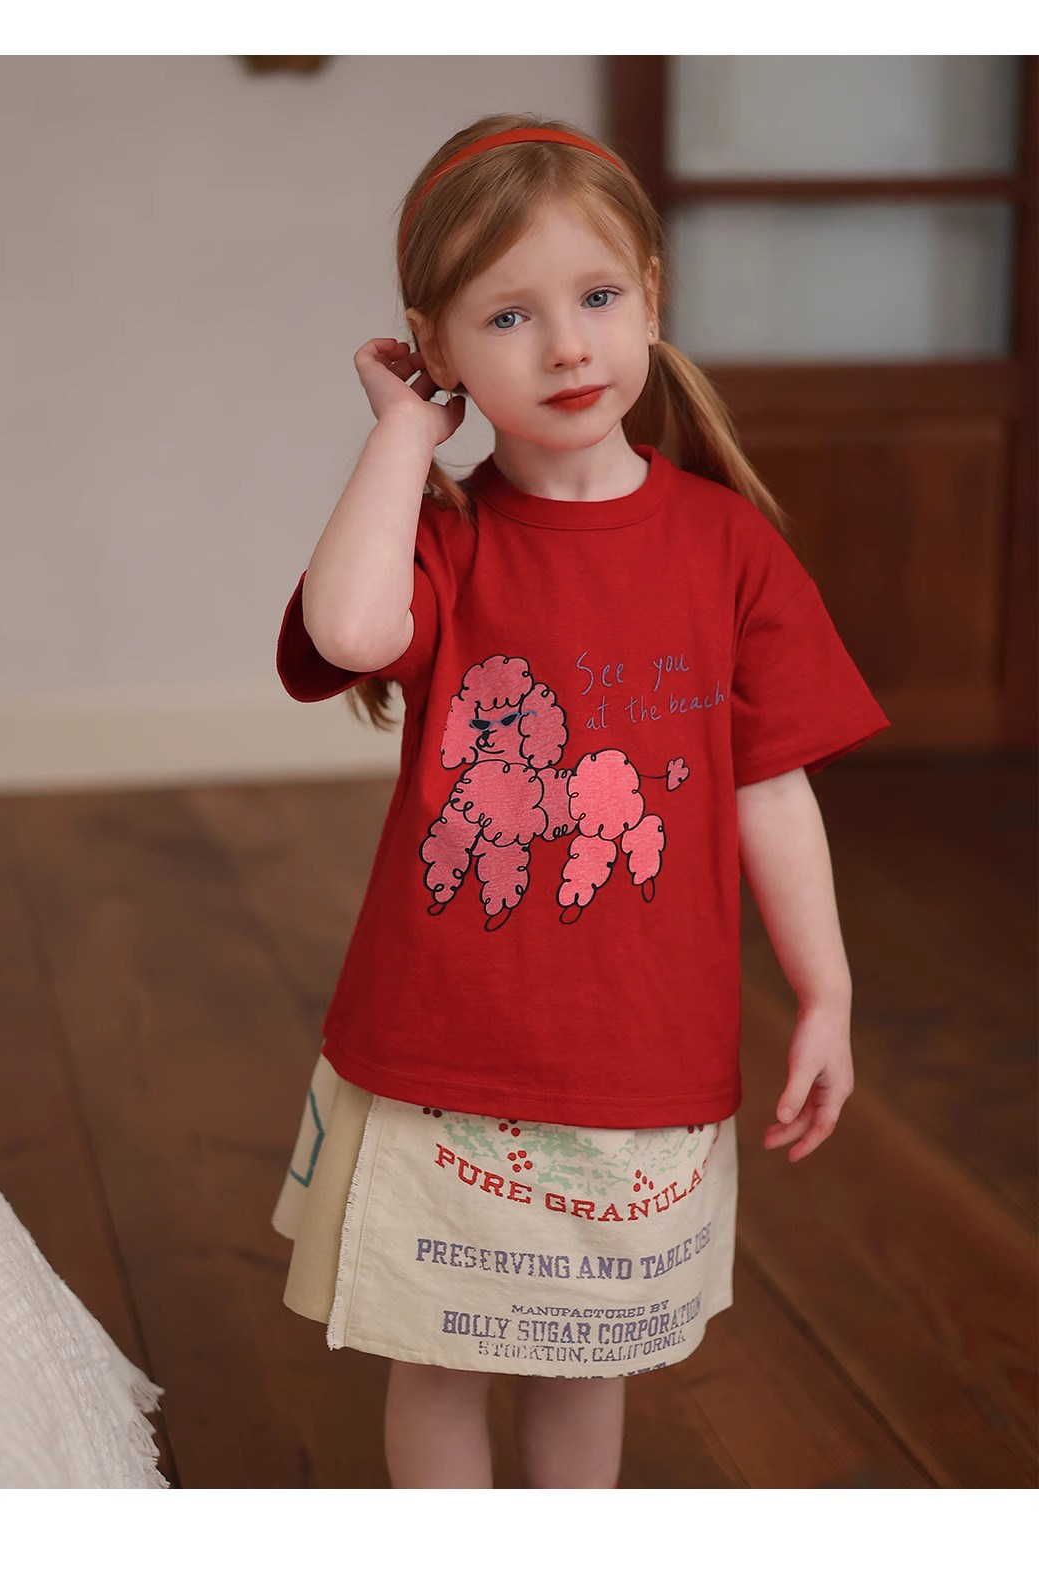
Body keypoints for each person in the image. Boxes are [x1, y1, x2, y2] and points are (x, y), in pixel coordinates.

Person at [269, 111, 891, 1490]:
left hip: (641, 1055)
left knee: (584, 1364)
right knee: (437, 1362)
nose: (565, 347)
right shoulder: (445, 540)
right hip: (442, 1051)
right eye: (508, 316)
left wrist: (828, 991)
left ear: (652, 301)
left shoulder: (727, 545)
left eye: (598, 297)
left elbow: (770, 785)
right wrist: (402, 439)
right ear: (436, 349)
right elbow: (353, 631)